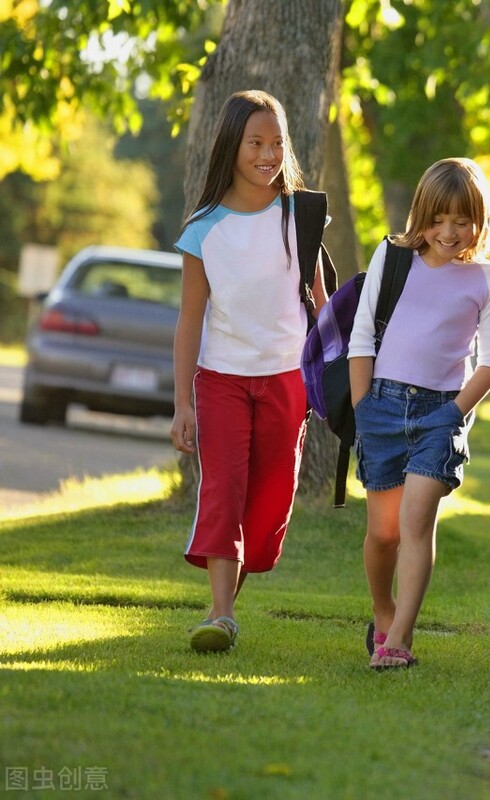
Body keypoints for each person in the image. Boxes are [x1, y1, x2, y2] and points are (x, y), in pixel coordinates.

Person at [172, 90, 329, 653]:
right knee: (223, 489)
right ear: (231, 147)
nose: (268, 154)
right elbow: (190, 321)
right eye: (255, 143)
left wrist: (332, 374)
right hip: (221, 379)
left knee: (269, 501)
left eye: (277, 143)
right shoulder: (203, 230)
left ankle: (225, 605)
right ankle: (220, 613)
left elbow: (320, 302)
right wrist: (183, 403)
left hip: (289, 379)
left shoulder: (301, 214)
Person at [350, 157, 490, 670]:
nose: (448, 231)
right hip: (382, 406)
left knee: (417, 521)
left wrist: (454, 415)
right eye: (438, 219)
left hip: (443, 412)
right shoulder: (392, 257)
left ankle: (398, 639)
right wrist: (362, 410)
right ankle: (382, 612)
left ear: (478, 220)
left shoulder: (488, 278)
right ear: (421, 213)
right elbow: (360, 340)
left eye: (461, 220)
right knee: (384, 534)